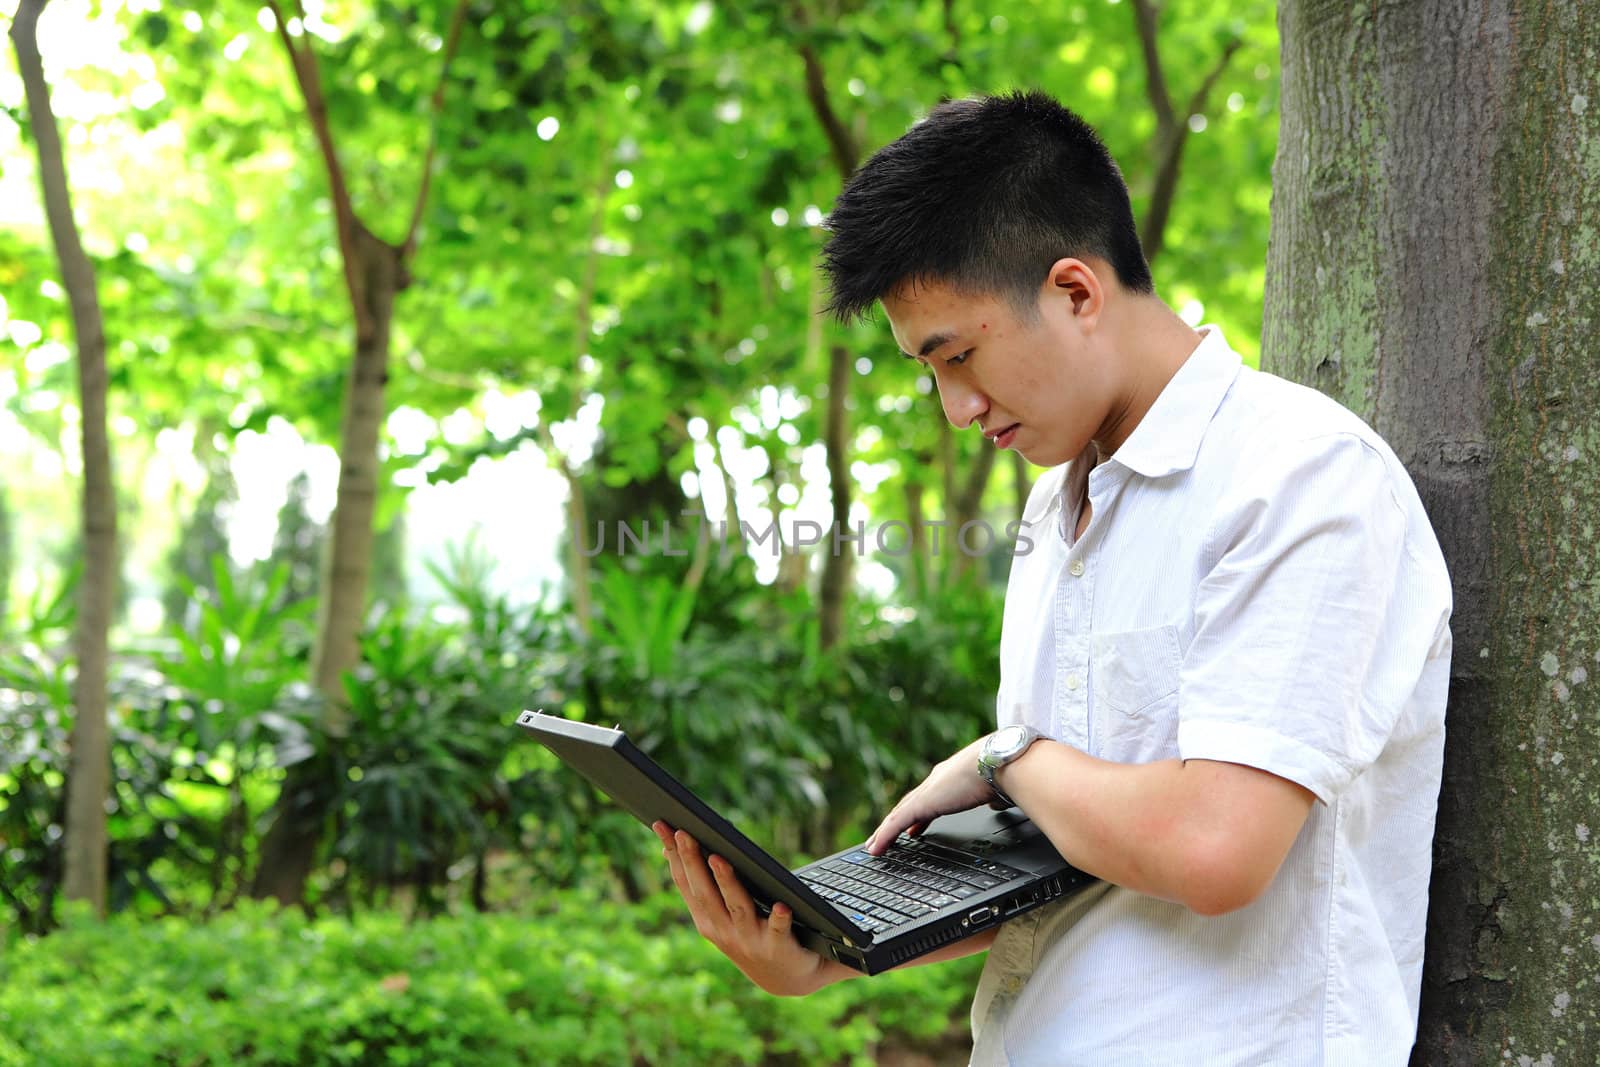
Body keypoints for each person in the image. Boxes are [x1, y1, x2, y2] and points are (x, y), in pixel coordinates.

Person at [651, 89, 1452, 1066]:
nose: (953, 407)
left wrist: (1005, 756)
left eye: (960, 355)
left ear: (1075, 291)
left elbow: (1214, 847)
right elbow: (1072, 855)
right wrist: (839, 946)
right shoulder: (1057, 505)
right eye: (926, 370)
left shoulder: (1298, 474)